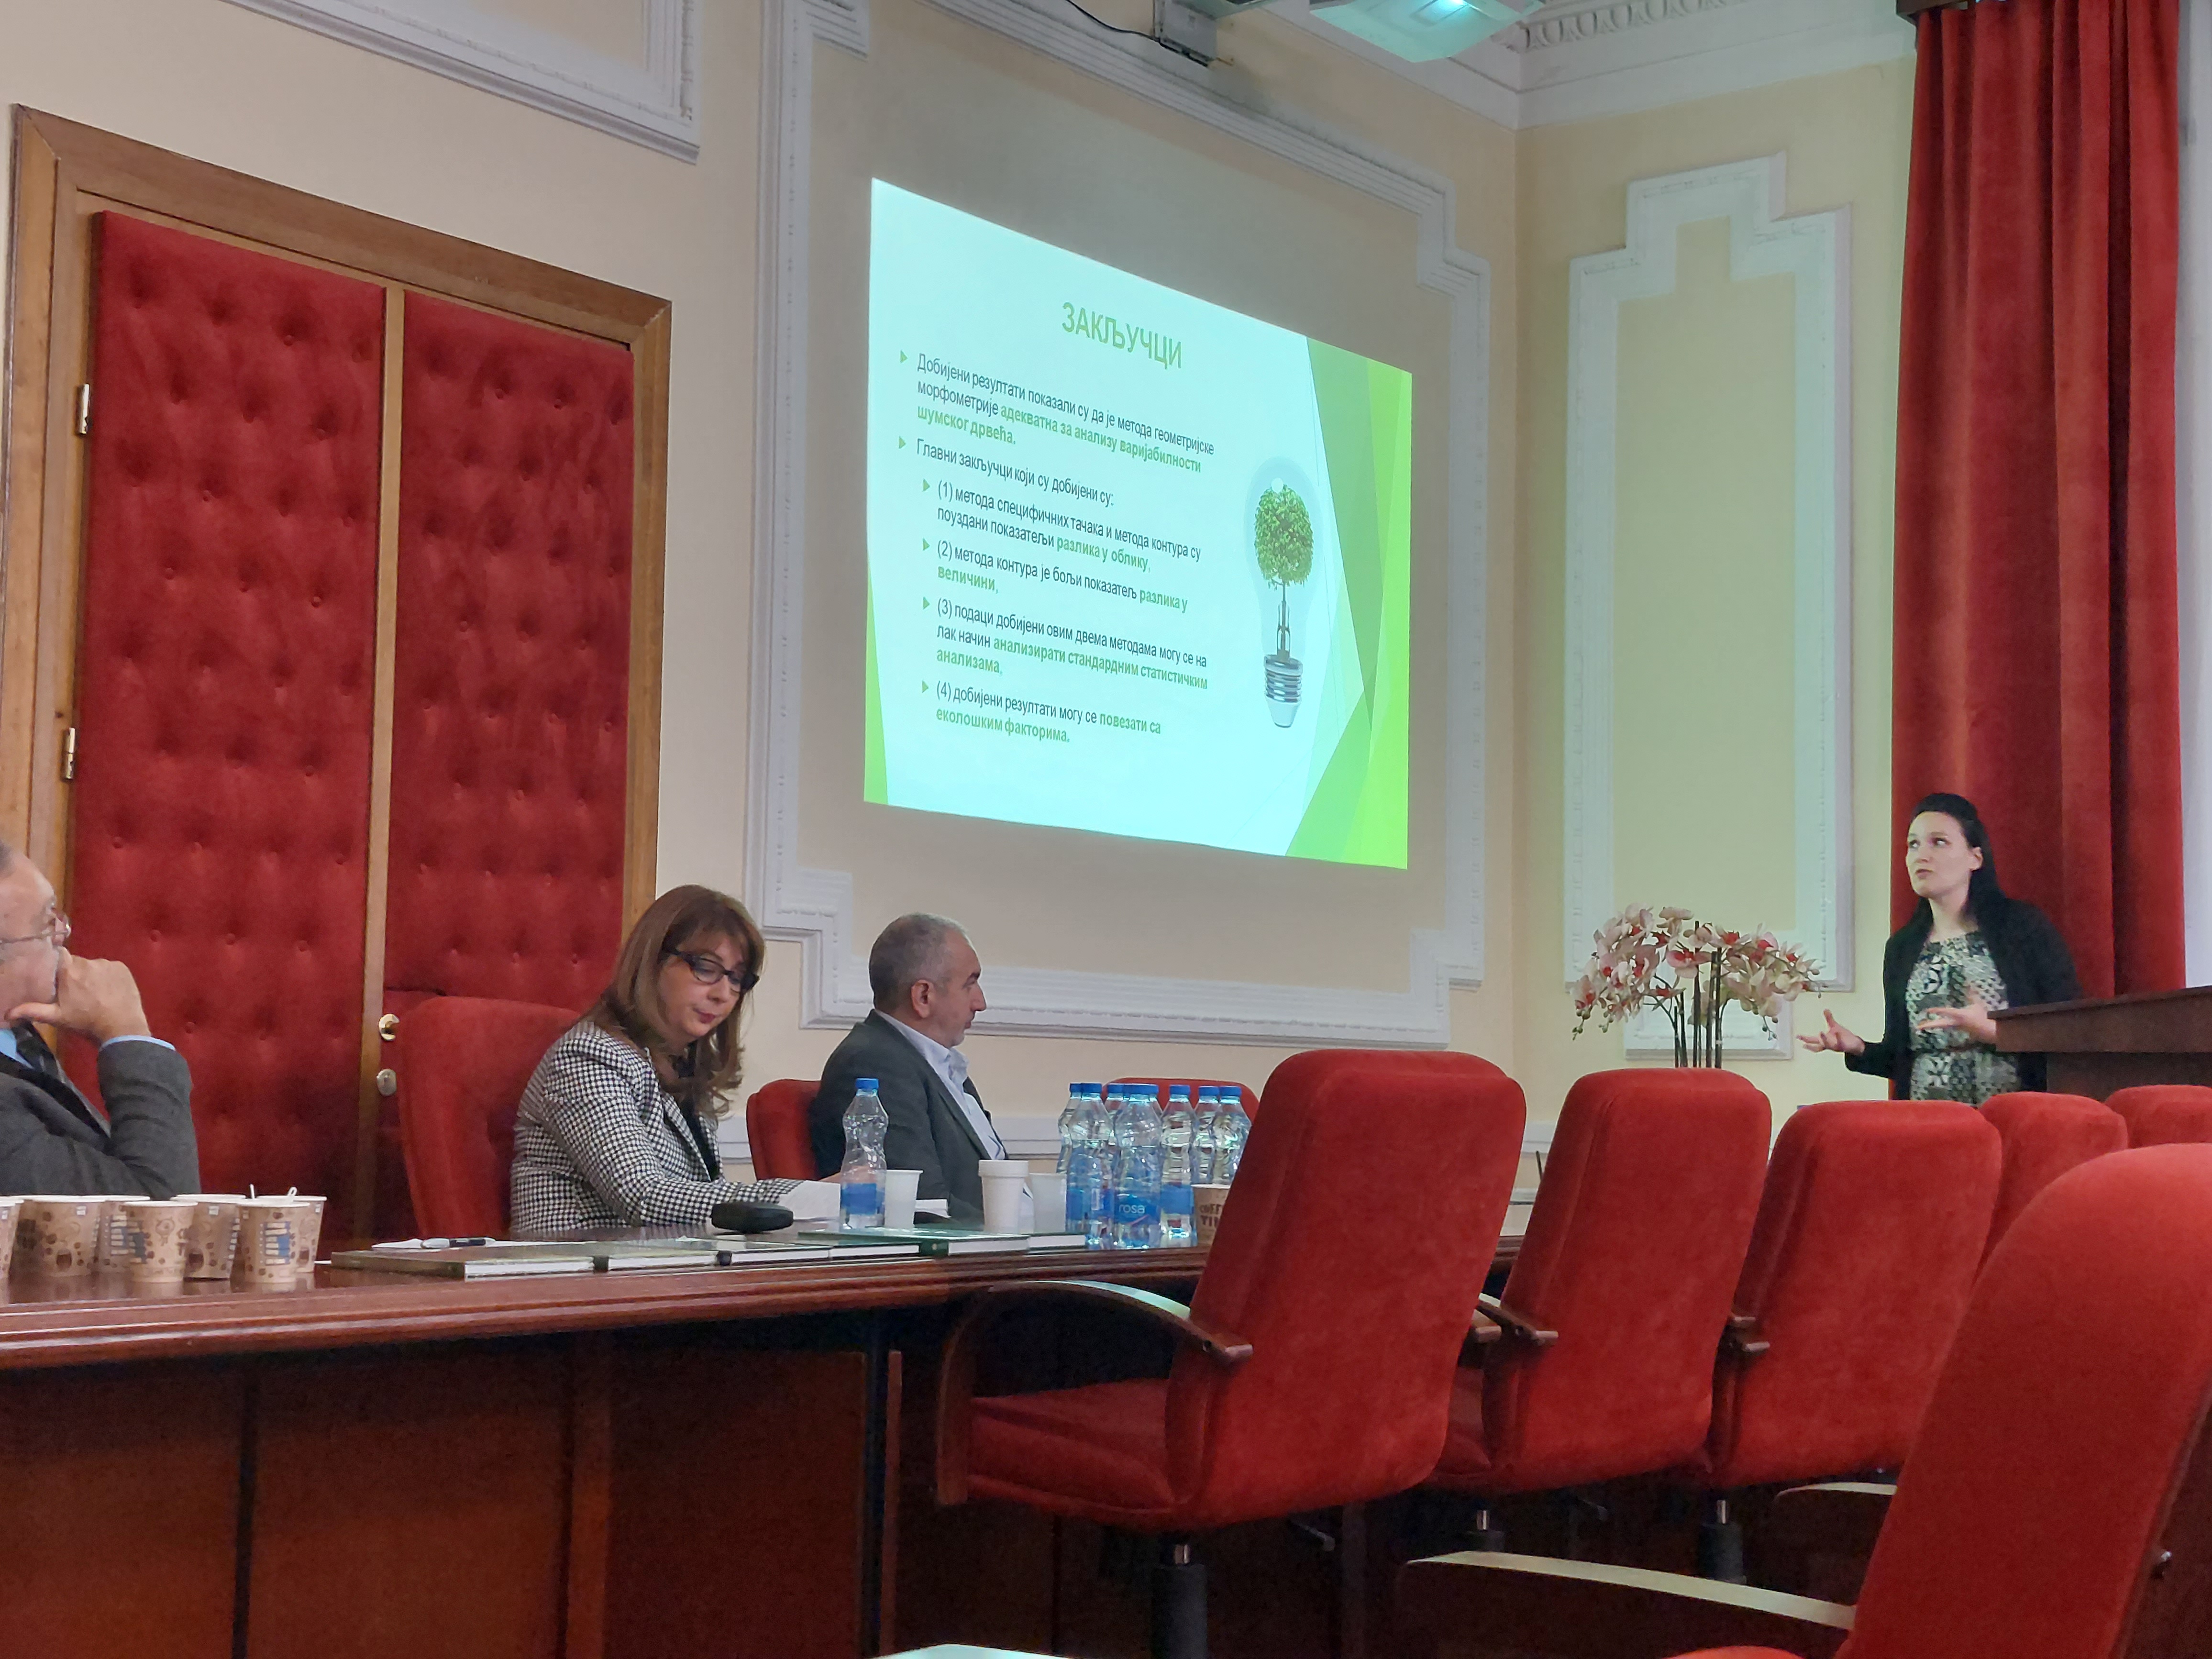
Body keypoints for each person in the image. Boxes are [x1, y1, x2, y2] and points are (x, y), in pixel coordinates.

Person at [509, 885, 837, 1233]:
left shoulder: (683, 1065)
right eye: (706, 968)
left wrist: (820, 1196)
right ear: (654, 961)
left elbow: (701, 1196)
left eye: (737, 978)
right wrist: (806, 1197)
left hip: (660, 1259)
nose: (723, 994)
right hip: (576, 1260)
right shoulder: (589, 1058)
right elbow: (643, 1196)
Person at [1800, 792, 2081, 1104]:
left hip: (2011, 1115)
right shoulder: (1903, 948)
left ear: (1975, 858)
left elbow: (2071, 1030)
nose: (1921, 855)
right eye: (1913, 844)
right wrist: (1857, 1048)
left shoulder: (2021, 927)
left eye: (1939, 842)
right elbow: (1901, 1057)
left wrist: (1995, 1033)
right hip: (1928, 1120)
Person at [0, 843, 198, 1196]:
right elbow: (158, 1212)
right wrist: (129, 1035)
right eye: (47, 924)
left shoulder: (17, 1033)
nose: (63, 935)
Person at [809, 914, 999, 1219]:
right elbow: (921, 1202)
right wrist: (1017, 1232)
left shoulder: (940, 1063)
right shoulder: (873, 1063)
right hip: (969, 1247)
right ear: (924, 996)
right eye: (970, 984)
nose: (981, 1003)